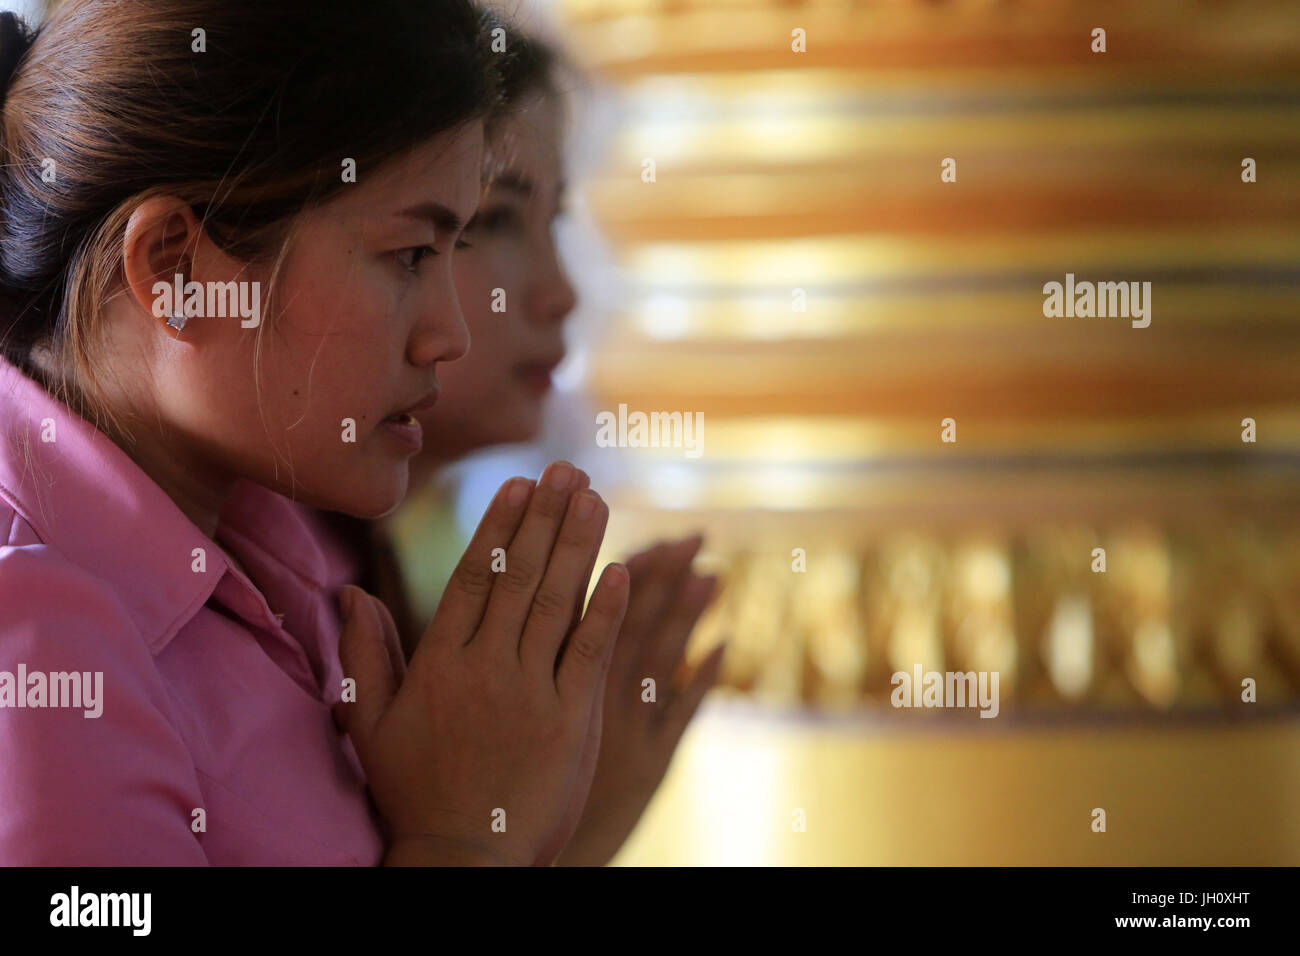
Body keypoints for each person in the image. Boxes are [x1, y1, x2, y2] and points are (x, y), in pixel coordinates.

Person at [0, 0, 623, 866]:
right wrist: (462, 840)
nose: (452, 332)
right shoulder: (31, 647)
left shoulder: (267, 544)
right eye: (410, 255)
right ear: (175, 269)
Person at [311, 30, 728, 866]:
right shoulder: (264, 598)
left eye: (554, 220)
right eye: (492, 219)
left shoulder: (355, 566)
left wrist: (559, 819)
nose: (561, 290)